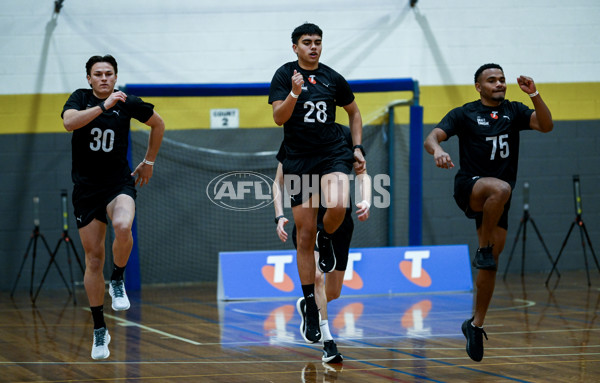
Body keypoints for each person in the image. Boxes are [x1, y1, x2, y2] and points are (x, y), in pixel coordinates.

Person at [424, 63, 553, 362]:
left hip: (498, 200)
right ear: (478, 87)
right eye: (491, 80)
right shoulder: (464, 113)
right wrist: (439, 151)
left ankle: (475, 324)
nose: (499, 84)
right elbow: (432, 137)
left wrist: (535, 94)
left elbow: (546, 126)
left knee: (491, 264)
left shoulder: (514, 111)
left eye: (502, 80)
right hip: (471, 188)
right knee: (500, 190)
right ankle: (482, 247)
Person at [61, 55, 165, 360]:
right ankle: (99, 329)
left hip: (118, 184)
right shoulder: (80, 99)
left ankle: (117, 279)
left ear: (115, 77)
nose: (104, 78)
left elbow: (158, 124)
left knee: (122, 225)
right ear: (89, 78)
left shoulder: (128, 102)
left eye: (109, 73)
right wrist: (102, 107)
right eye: (98, 74)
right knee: (93, 259)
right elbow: (69, 123)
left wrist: (148, 162)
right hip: (86, 189)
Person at [268, 22, 365, 345]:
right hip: (298, 160)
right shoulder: (284, 75)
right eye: (307, 42)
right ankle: (309, 303)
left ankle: (328, 238)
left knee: (338, 203)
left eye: (318, 42)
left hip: (331, 154)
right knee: (303, 236)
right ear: (294, 47)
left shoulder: (332, 78)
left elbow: (354, 112)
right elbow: (279, 118)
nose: (313, 47)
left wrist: (357, 147)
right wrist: (295, 92)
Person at [273, 124, 371, 363]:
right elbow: (278, 181)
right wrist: (279, 215)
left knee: (333, 292)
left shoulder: (344, 135)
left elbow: (363, 173)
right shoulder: (294, 136)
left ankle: (310, 308)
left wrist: (366, 199)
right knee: (317, 276)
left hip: (339, 223)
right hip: (309, 219)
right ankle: (328, 342)